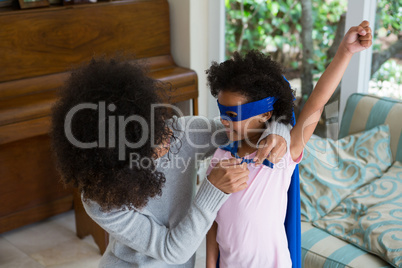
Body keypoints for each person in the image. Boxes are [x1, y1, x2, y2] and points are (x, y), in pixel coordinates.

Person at [50, 56, 291, 267]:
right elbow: (172, 251)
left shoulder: (179, 133)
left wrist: (278, 130)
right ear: (118, 159)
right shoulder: (100, 198)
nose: (166, 139)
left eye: (156, 123)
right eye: (149, 142)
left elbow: (247, 129)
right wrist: (212, 190)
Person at [205, 21, 372, 268]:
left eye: (233, 114)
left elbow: (317, 103)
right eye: (222, 112)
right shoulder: (220, 157)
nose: (223, 120)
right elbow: (214, 221)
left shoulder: (281, 155)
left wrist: (345, 52)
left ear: (265, 114)